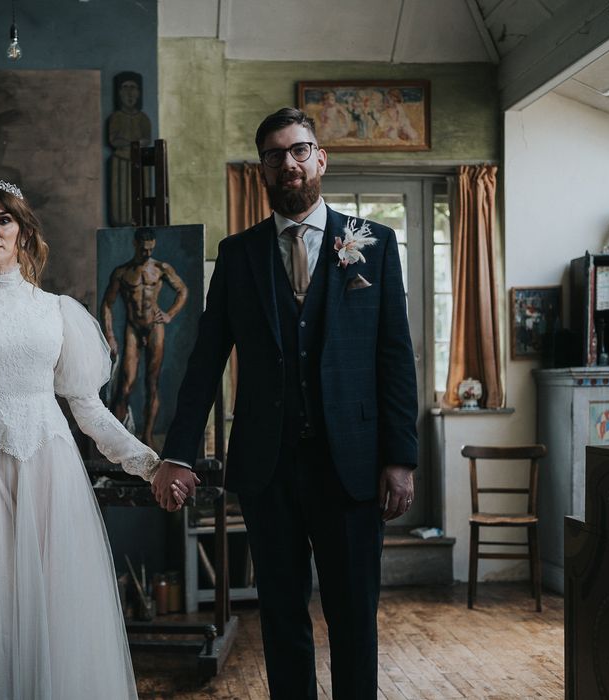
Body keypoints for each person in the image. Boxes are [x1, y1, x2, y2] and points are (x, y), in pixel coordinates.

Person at [151, 108, 418, 699]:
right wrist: (178, 454)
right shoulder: (238, 254)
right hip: (269, 469)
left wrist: (401, 457)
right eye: (275, 155)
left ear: (320, 158)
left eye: (299, 150)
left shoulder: (373, 243)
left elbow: (395, 355)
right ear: (263, 171)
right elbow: (203, 363)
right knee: (281, 618)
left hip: (351, 466)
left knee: (353, 618)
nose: (288, 163)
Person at [0, 179, 189, 699]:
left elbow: (89, 411)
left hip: (49, 474)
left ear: (24, 232)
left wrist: (150, 463)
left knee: (52, 609)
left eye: (4, 220)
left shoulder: (59, 312)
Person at [101, 228, 188, 444]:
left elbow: (183, 290)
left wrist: (169, 314)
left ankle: (147, 437)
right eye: (143, 249)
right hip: (133, 327)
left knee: (152, 383)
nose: (147, 253)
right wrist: (109, 336)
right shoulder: (122, 272)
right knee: (126, 384)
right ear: (135, 245)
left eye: (151, 249)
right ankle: (117, 440)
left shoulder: (161, 268)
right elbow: (107, 305)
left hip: (154, 327)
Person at [107, 71, 153, 226]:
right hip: (120, 163)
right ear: (119, 92)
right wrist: (133, 142)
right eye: (125, 87)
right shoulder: (116, 117)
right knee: (122, 200)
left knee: (141, 198)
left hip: (139, 163)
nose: (129, 93)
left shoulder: (143, 118)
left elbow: (146, 139)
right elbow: (114, 140)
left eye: (133, 88)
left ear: (139, 92)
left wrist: (131, 142)